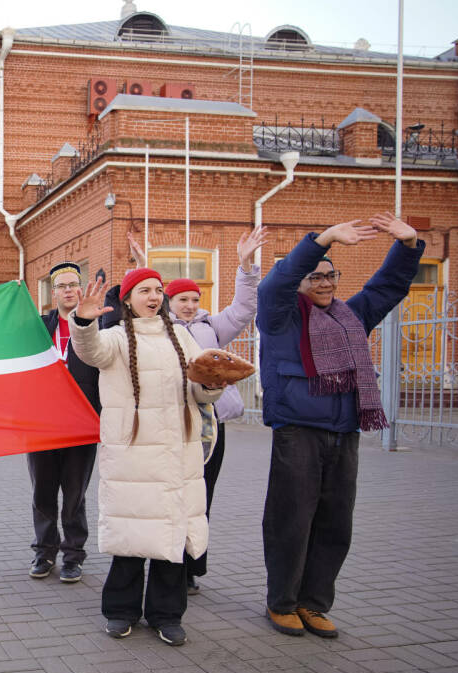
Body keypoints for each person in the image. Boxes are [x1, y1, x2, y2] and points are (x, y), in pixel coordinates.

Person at [258, 214, 422, 638]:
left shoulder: (352, 316)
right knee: (291, 521)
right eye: (315, 275)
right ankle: (282, 603)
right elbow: (274, 282)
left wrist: (407, 246)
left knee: (334, 523)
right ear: (300, 280)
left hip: (344, 432)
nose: (325, 282)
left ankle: (314, 604)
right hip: (298, 431)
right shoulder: (281, 316)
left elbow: (386, 288)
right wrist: (323, 240)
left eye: (331, 275)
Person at [69, 268, 223, 646]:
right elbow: (90, 352)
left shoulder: (182, 337)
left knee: (171, 538)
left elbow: (199, 393)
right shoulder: (116, 338)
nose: (153, 297)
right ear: (128, 300)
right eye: (144, 291)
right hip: (132, 456)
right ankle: (120, 611)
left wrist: (212, 385)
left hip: (177, 453)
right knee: (133, 534)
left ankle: (167, 615)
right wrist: (84, 321)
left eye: (158, 290)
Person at [157, 227, 268, 594]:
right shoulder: (159, 330)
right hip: (172, 426)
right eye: (182, 299)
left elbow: (244, 309)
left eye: (194, 298)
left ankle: (191, 568)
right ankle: (165, 562)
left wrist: (245, 264)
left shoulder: (211, 327)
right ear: (169, 302)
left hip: (210, 427)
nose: (189, 305)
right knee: (172, 495)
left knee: (203, 494)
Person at [27, 262, 101, 584]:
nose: (69, 290)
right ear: (53, 293)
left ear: (81, 290)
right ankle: (44, 552)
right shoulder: (38, 328)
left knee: (74, 494)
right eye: (62, 286)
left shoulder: (96, 324)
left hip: (81, 424)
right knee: (42, 492)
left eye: (74, 284)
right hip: (41, 426)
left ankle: (73, 556)